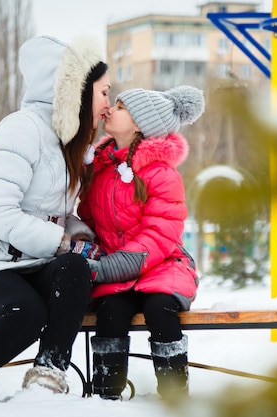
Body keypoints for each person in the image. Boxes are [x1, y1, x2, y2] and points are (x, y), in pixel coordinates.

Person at [0, 33, 111, 400]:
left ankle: (48, 376)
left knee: (74, 270)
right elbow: (0, 214)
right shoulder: (21, 129)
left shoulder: (69, 141)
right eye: (104, 92)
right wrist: (62, 242)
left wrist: (80, 233)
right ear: (75, 90)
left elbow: (54, 213)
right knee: (28, 314)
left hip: (39, 262)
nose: (108, 104)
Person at [75, 85, 205, 401]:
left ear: (138, 125)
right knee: (110, 311)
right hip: (115, 271)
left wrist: (113, 265)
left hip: (159, 265)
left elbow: (161, 234)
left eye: (119, 106)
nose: (110, 109)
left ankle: (175, 395)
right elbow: (88, 218)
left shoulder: (161, 174)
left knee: (160, 309)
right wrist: (82, 241)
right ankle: (107, 395)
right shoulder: (101, 169)